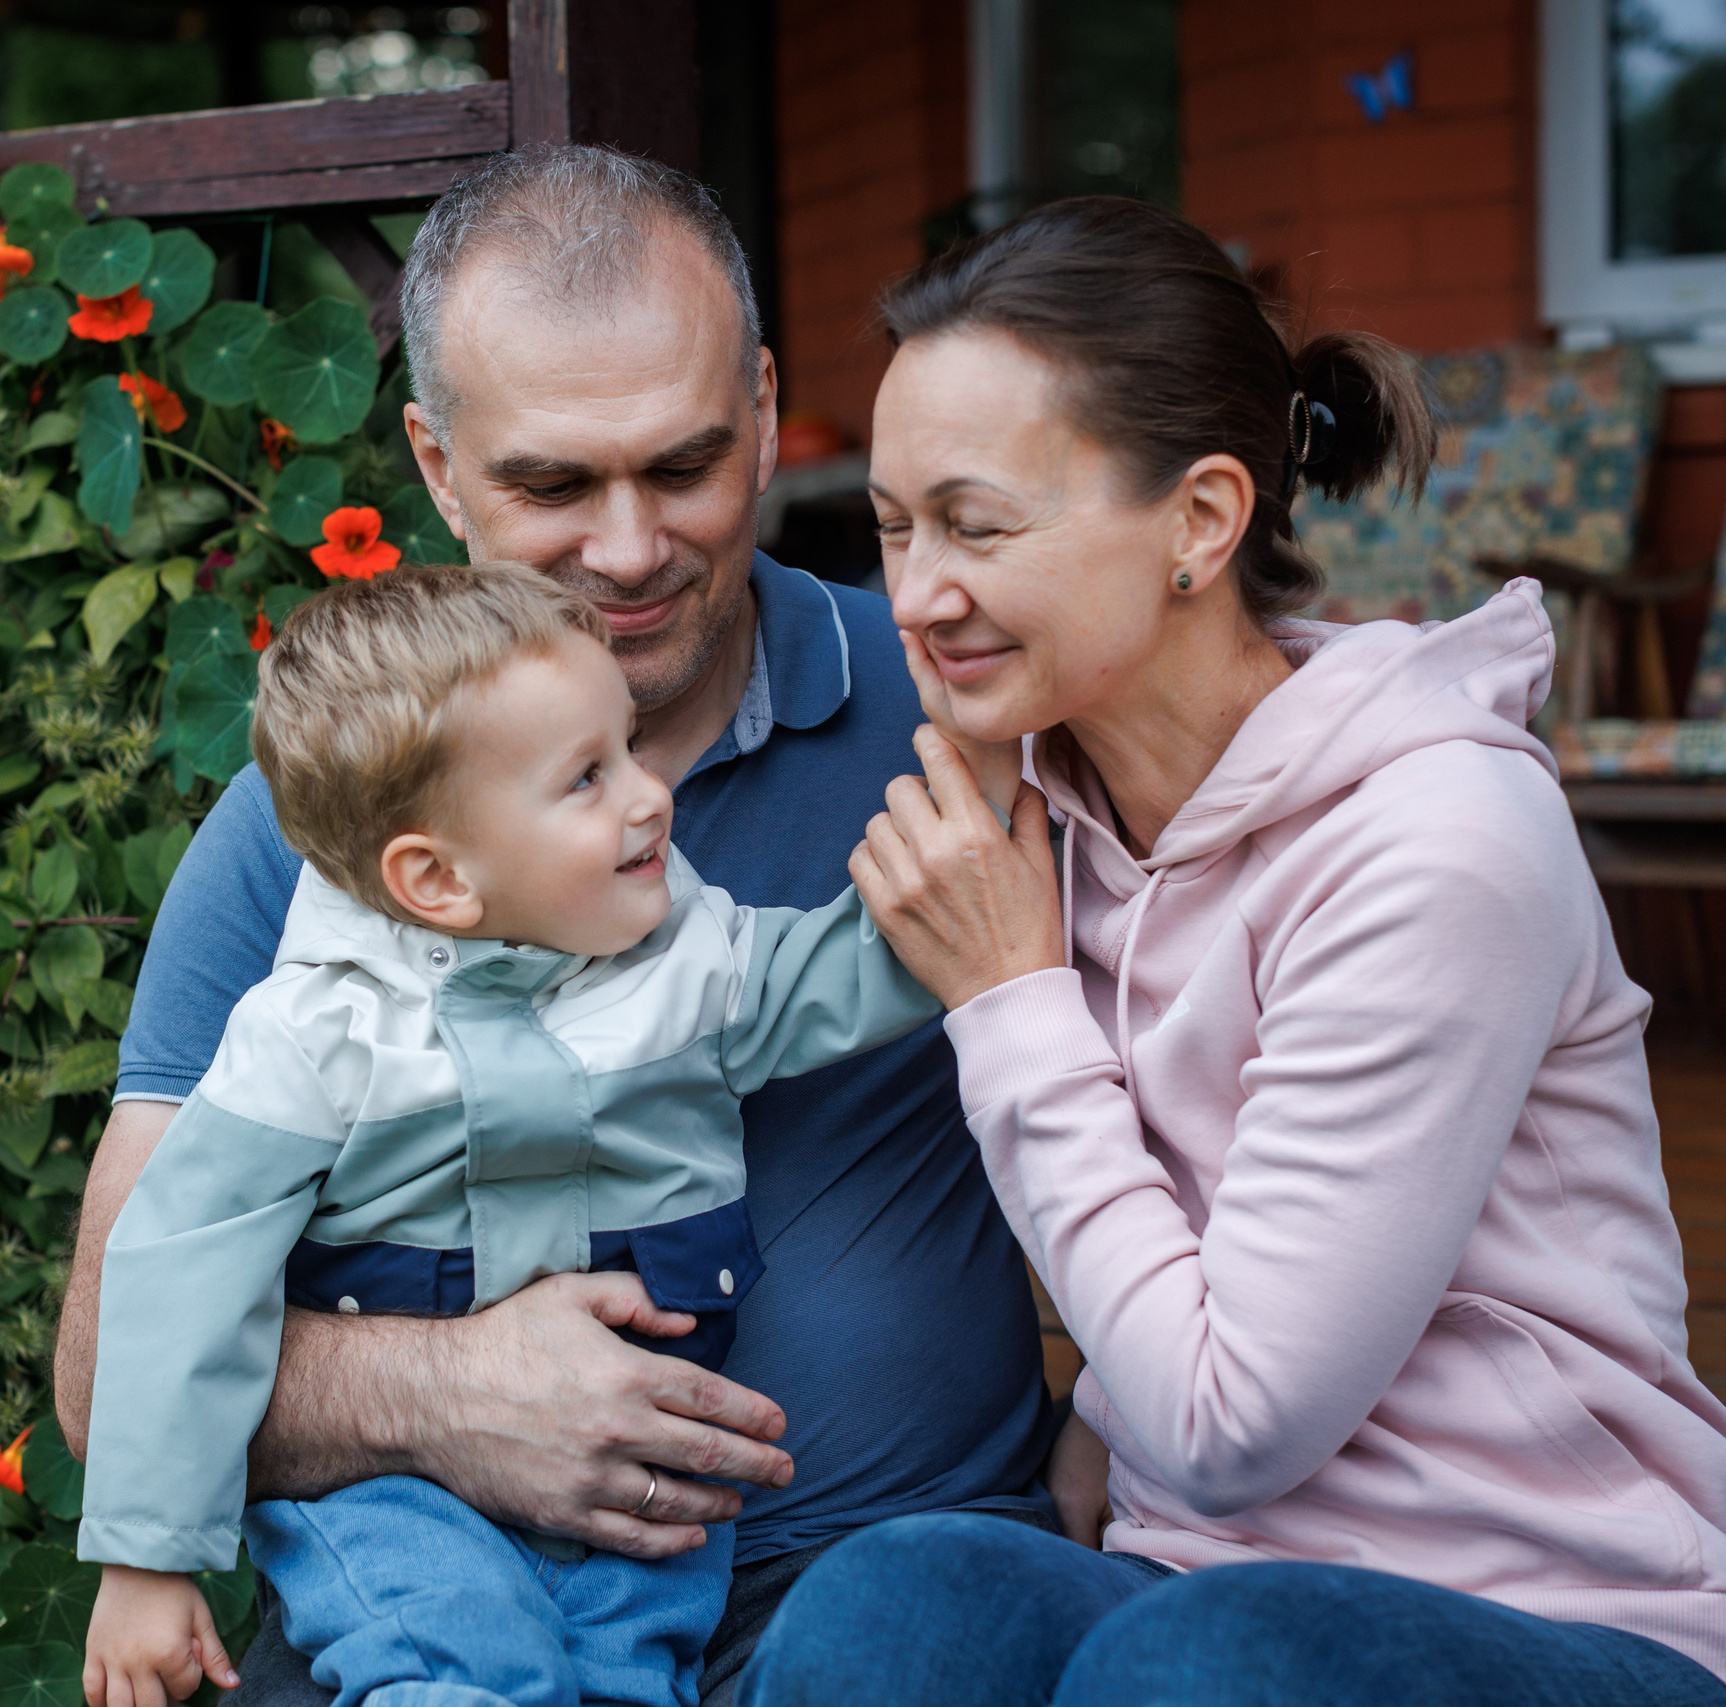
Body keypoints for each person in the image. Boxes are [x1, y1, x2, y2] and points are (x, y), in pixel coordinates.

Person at [739, 198, 1726, 1707]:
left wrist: (1012, 999)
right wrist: (1104, 1401)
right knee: (897, 1599)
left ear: (1202, 519)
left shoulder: (1436, 839)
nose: (917, 593)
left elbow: (1233, 1419)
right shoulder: (1044, 804)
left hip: (1571, 1618)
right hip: (1199, 1583)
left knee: (1212, 1661)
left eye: (978, 525)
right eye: (896, 530)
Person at [52, 145, 1059, 1707]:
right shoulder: (322, 826)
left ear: (771, 408)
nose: (631, 547)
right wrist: (440, 1391)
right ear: (437, 466)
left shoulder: (960, 703)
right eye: (550, 484)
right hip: (437, 1575)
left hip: (886, 1588)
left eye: (683, 464)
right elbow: (122, 1341)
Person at [79, 563, 962, 1707]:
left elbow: (835, 979)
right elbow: (177, 1267)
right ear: (437, 877)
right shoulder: (315, 1032)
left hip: (645, 1504)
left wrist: (968, 871)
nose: (649, 795)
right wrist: (149, 1556)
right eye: (586, 779)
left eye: (631, 750)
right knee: (452, 1668)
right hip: (400, 1501)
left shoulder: (682, 952)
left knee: (623, 1679)